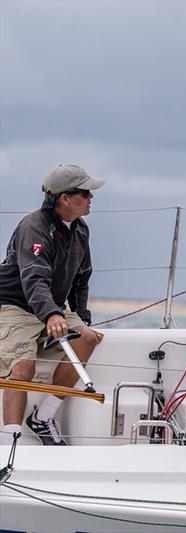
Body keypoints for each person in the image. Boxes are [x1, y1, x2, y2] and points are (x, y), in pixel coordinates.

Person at [0, 164, 105, 446]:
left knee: (88, 338)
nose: (91, 197)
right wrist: (51, 314)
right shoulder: (33, 226)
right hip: (15, 305)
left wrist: (81, 317)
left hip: (53, 307)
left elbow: (82, 278)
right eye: (86, 192)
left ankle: (43, 417)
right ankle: (11, 444)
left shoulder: (81, 230)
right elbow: (33, 278)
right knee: (23, 368)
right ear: (65, 198)